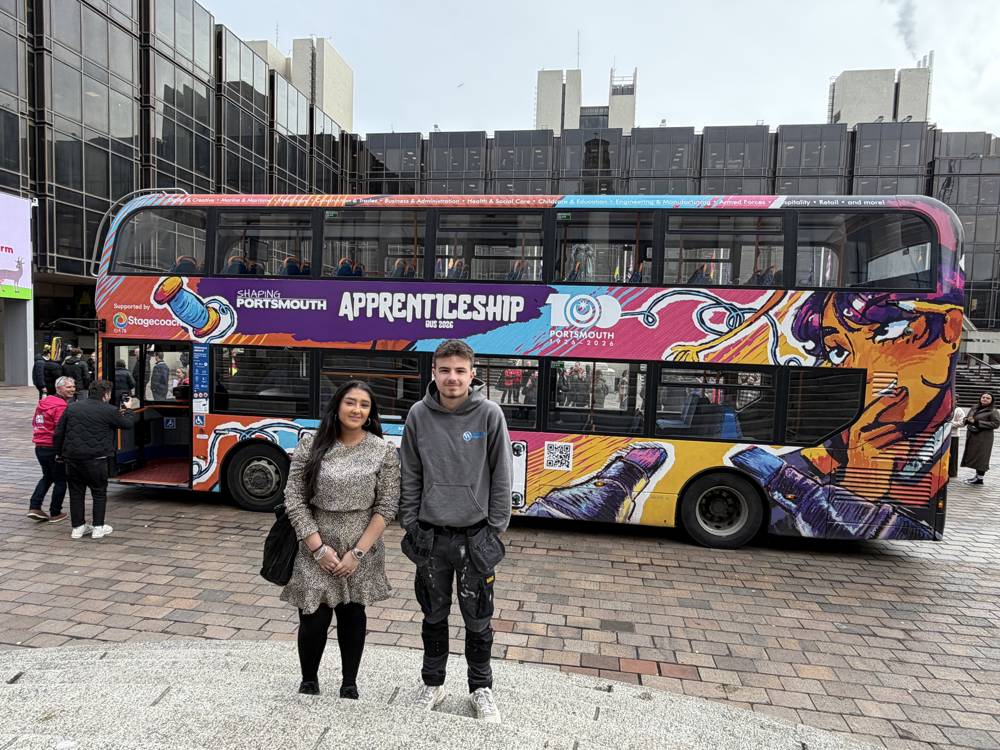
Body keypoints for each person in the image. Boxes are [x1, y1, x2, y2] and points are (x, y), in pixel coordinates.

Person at [398, 339, 512, 724]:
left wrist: (495, 529)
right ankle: (433, 683)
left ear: (472, 374)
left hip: (475, 536)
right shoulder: (418, 415)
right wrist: (410, 522)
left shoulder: (490, 415)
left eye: (460, 371)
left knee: (478, 617)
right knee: (433, 614)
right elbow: (410, 472)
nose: (452, 378)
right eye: (445, 370)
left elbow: (501, 476)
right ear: (434, 372)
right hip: (430, 536)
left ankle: (481, 689)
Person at [282, 380, 400, 699]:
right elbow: (293, 498)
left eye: (364, 404)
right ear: (337, 406)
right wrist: (317, 548)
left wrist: (358, 553)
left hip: (361, 548)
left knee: (352, 616)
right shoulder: (312, 445)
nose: (357, 409)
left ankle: (350, 682)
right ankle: (309, 679)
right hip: (315, 545)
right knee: (313, 619)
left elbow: (387, 505)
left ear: (371, 412)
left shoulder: (383, 451)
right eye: (350, 402)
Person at [53, 380, 136, 540]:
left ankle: (77, 528)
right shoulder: (109, 410)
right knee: (99, 492)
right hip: (96, 459)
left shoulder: (72, 407)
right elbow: (127, 424)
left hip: (73, 458)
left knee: (76, 493)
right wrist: (127, 409)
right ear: (106, 394)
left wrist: (59, 453)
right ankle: (98, 527)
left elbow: (58, 433)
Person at [27, 376, 76, 522]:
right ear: (59, 388)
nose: (72, 389)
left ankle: (34, 507)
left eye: (73, 386)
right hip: (53, 447)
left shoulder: (43, 403)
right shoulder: (61, 406)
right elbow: (61, 429)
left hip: (40, 446)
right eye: (68, 387)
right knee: (61, 480)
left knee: (48, 476)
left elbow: (34, 422)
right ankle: (55, 512)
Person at [961, 393, 999, 485]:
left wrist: (977, 422)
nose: (985, 399)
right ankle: (977, 477)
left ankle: (979, 479)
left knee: (982, 457)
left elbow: (996, 424)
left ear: (991, 401)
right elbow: (968, 417)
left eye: (988, 398)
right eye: (983, 397)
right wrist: (966, 420)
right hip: (973, 435)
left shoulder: (993, 411)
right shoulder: (975, 407)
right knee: (975, 456)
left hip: (984, 438)